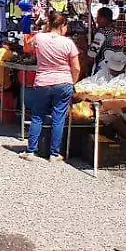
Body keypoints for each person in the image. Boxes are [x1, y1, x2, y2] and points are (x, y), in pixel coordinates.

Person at [19, 12, 80, 163]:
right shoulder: (68, 43)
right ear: (62, 26)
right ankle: (54, 154)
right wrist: (72, 83)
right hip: (64, 82)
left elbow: (28, 48)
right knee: (58, 118)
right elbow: (76, 67)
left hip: (43, 82)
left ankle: (31, 151)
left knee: (37, 116)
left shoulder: (39, 37)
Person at [86, 7, 122, 76]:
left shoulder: (101, 34)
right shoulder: (118, 33)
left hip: (103, 70)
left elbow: (92, 54)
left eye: (98, 17)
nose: (97, 21)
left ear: (103, 19)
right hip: (117, 69)